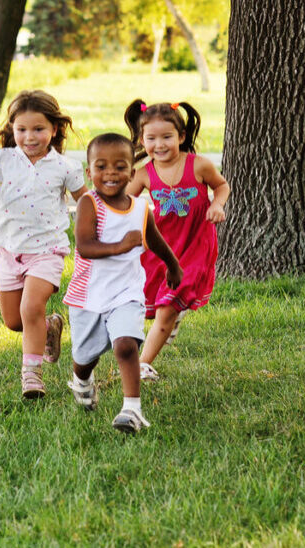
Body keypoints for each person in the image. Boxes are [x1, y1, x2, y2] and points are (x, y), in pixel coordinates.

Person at [0, 90, 87, 399]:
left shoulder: (64, 167)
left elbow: (87, 202)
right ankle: (48, 327)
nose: (29, 136)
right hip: (9, 251)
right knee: (14, 321)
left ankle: (31, 376)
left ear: (54, 129)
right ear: (12, 129)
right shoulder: (2, 159)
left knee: (29, 307)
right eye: (21, 129)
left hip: (47, 251)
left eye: (38, 129)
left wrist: (99, 229)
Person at [64, 133, 182, 433]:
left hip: (127, 292)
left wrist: (173, 265)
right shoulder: (90, 204)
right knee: (84, 357)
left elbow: (154, 240)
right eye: (101, 167)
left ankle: (132, 410)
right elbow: (86, 246)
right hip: (88, 296)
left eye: (119, 167)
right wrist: (119, 246)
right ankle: (81, 379)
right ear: (89, 173)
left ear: (132, 172)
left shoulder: (141, 208)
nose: (110, 174)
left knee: (126, 346)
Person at [123, 100, 229, 382]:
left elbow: (222, 185)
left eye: (167, 137)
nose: (160, 144)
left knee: (167, 305)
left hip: (194, 245)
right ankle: (171, 316)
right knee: (153, 302)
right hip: (160, 247)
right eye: (151, 138)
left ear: (181, 137)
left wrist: (217, 204)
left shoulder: (199, 165)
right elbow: (124, 202)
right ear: (142, 139)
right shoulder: (144, 173)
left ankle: (142, 363)